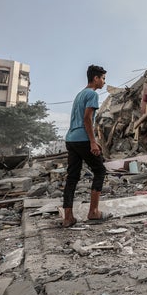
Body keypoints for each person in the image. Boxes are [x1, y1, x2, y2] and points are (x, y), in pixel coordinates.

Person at [61, 64, 109, 228]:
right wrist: (93, 141)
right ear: (95, 78)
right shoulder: (92, 94)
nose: (103, 82)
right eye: (103, 78)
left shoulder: (79, 94)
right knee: (100, 170)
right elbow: (87, 119)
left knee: (72, 177)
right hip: (82, 139)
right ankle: (93, 212)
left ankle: (68, 217)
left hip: (71, 139)